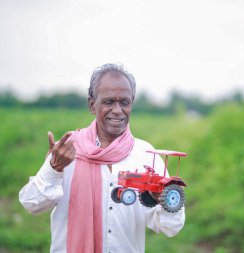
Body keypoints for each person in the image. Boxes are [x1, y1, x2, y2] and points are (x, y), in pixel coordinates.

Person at [19, 63, 185, 253]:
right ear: (92, 105)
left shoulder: (146, 154)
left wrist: (165, 201)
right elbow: (32, 204)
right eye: (108, 102)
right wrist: (53, 169)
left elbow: (171, 227)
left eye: (124, 102)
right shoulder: (67, 151)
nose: (117, 110)